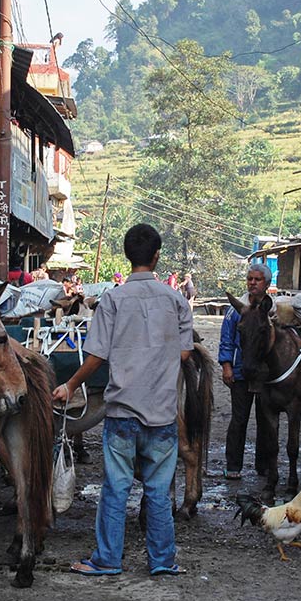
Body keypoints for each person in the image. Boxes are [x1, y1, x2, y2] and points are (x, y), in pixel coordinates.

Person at [53, 223, 193, 576]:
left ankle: (108, 560)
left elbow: (96, 357)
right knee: (159, 493)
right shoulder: (176, 300)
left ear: (128, 256)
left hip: (122, 413)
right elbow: (186, 354)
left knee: (116, 489)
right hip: (161, 414)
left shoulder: (112, 300)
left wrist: (69, 386)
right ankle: (162, 562)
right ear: (157, 255)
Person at [218, 263, 272, 480]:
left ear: (266, 283)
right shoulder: (236, 310)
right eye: (250, 279)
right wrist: (226, 366)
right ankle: (233, 466)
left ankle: (264, 465)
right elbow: (226, 340)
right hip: (240, 373)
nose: (252, 283)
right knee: (239, 419)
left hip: (266, 375)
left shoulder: (273, 310)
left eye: (257, 280)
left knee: (266, 420)